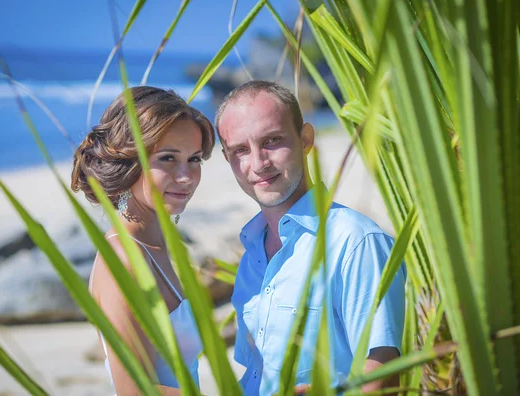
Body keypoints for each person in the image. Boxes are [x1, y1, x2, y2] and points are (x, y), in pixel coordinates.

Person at [215, 81, 406, 395]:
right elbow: (255, 373)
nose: (258, 163)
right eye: (241, 150)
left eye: (272, 141)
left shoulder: (355, 241)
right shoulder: (251, 255)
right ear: (227, 159)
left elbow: (382, 374)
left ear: (306, 139)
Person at [71, 86, 215, 395]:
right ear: (129, 163)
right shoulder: (123, 259)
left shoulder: (156, 248)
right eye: (167, 158)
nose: (186, 176)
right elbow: (134, 390)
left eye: (194, 159)